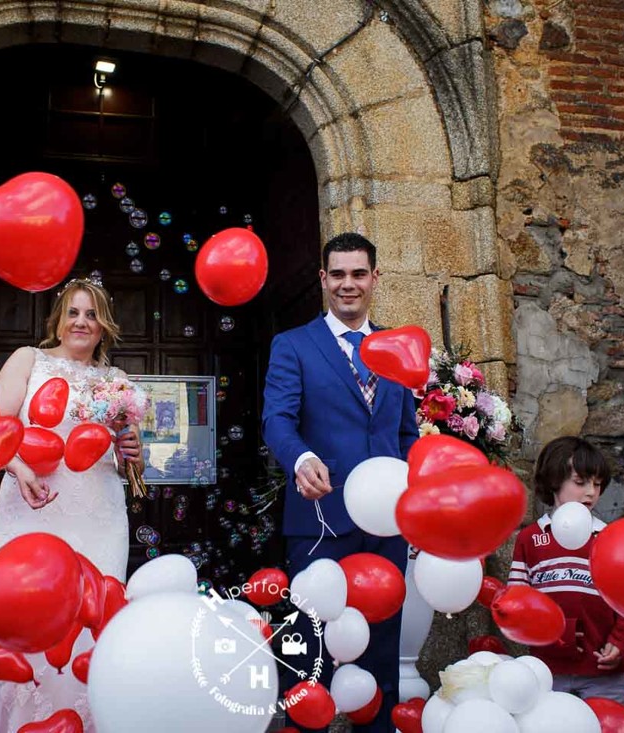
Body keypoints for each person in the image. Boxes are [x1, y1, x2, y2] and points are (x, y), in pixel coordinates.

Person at [262, 232, 418, 732]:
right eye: (338, 275)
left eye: (358, 274)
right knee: (307, 655)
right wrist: (301, 457)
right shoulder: (293, 345)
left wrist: (421, 500)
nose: (347, 284)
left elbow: (407, 435)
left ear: (375, 278)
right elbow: (277, 421)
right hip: (319, 520)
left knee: (382, 655)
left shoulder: (396, 349)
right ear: (323, 279)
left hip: (386, 529)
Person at [0, 279, 144, 732]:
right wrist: (19, 470)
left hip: (98, 513)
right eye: (74, 312)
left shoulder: (116, 383)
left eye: (92, 315)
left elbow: (124, 463)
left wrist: (132, 456)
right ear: (58, 319)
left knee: (93, 614)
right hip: (32, 508)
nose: (82, 322)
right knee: (30, 612)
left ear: (104, 327)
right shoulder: (28, 361)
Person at [506, 436, 624, 702]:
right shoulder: (531, 539)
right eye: (580, 483)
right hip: (547, 673)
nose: (591, 492)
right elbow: (517, 601)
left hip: (602, 673)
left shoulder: (610, 539)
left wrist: (620, 643)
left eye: (598, 485)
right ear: (555, 480)